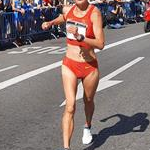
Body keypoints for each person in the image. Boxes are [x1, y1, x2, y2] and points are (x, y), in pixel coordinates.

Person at [42, 0, 105, 149]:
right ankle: (66, 147)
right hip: (69, 64)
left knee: (88, 100)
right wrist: (50, 23)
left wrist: (81, 37)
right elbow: (63, 18)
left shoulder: (94, 13)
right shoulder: (69, 10)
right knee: (70, 106)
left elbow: (101, 43)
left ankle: (87, 127)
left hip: (89, 66)